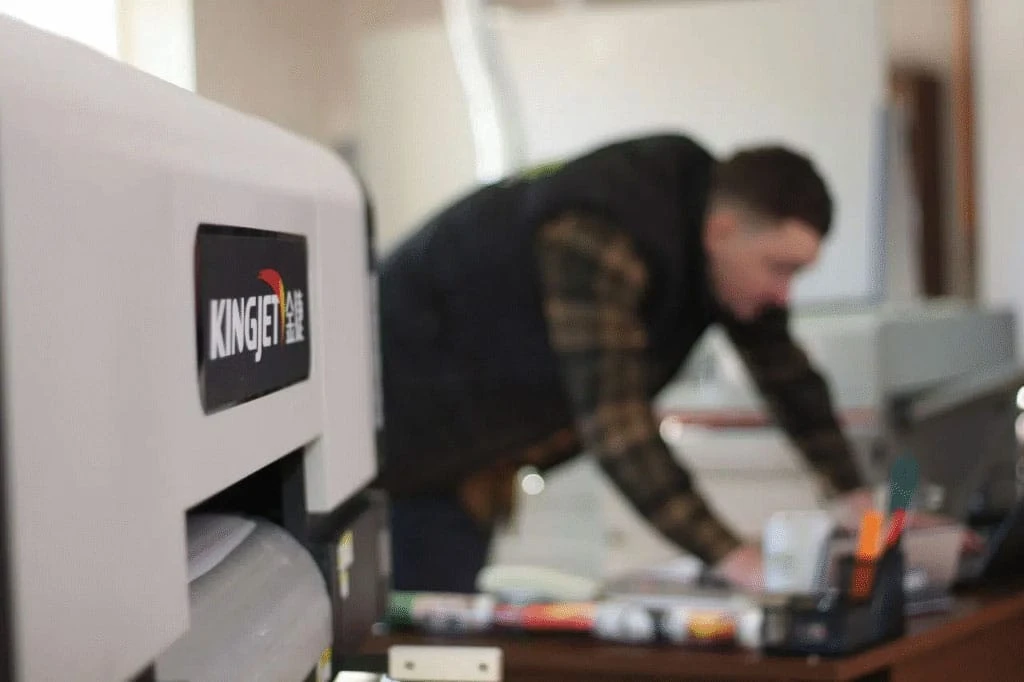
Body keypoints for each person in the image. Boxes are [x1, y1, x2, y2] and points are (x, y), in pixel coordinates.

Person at [373, 132, 904, 593]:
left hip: (470, 454)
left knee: (438, 627)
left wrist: (857, 503)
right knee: (411, 630)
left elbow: (787, 376)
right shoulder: (598, 230)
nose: (783, 295)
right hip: (398, 433)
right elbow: (616, 423)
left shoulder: (718, 244)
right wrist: (736, 560)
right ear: (721, 230)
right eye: (778, 268)